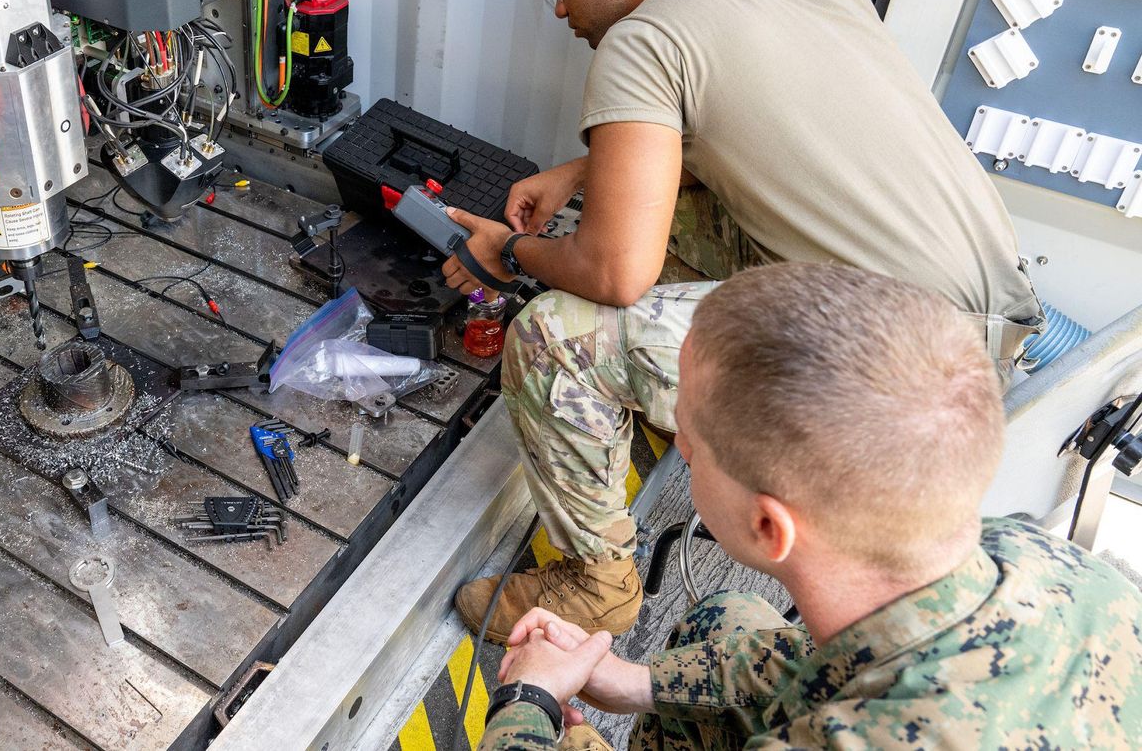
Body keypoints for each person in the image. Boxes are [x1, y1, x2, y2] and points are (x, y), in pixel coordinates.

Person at [446, 0, 1043, 642]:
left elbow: (617, 274)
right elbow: (765, 107)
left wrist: (516, 250)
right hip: (979, 327)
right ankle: (666, 390)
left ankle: (595, 584)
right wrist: (583, 170)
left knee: (553, 337)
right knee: (676, 198)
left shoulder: (642, 40)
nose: (559, 7)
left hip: (897, 389)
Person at [475, 263, 1142, 750]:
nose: (677, 444)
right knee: (724, 619)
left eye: (691, 441)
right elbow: (830, 658)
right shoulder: (1037, 556)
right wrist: (631, 682)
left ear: (770, 527)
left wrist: (527, 705)